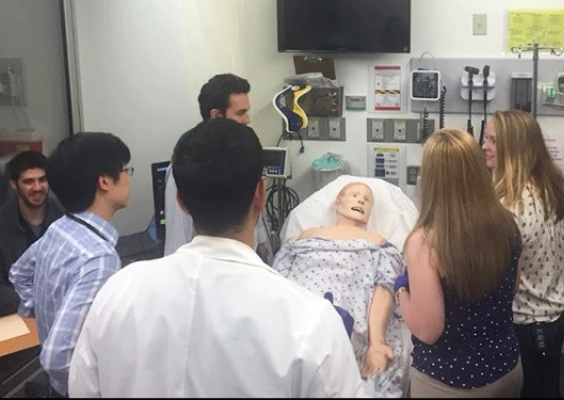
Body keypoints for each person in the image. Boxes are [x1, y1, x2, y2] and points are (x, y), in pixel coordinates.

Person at [68, 118, 366, 398]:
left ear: (180, 201)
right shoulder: (310, 322)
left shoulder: (117, 293)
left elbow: (82, 389)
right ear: (260, 194)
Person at [395, 128, 523, 398]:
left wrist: (401, 291)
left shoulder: (425, 242)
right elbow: (511, 288)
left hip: (448, 383)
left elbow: (428, 330)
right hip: (506, 371)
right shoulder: (507, 224)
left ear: (429, 178)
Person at [9, 132, 132, 397]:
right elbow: (56, 357)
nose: (128, 177)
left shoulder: (61, 228)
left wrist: (39, 310)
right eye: (125, 170)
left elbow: (18, 272)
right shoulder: (99, 259)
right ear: (104, 182)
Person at [272, 181, 410, 398]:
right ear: (337, 202)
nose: (361, 200)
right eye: (354, 195)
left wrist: (377, 343)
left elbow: (384, 289)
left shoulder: (379, 244)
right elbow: (277, 283)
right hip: (299, 320)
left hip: (351, 327)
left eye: (367, 200)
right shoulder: (303, 238)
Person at [483, 109, 564, 398]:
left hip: (526, 325)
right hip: (551, 317)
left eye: (492, 140)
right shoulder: (552, 189)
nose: (484, 146)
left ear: (513, 148)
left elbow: (499, 279)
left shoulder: (508, 206)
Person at [164, 73, 269, 262]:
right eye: (240, 113)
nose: (247, 119)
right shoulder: (189, 164)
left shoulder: (247, 152)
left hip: (248, 266)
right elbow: (177, 238)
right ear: (215, 115)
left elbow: (256, 220)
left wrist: (262, 246)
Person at [0, 150, 64, 316]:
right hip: (16, 313)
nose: (37, 188)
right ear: (14, 184)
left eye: (42, 180)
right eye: (28, 181)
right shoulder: (3, 224)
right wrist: (29, 302)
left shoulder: (66, 219)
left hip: (61, 309)